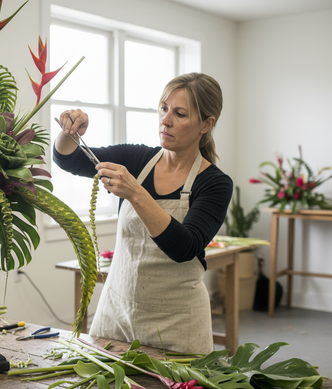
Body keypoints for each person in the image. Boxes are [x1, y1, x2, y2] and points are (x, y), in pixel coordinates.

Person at [53, 72, 233, 355]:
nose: (166, 120)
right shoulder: (136, 158)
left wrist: (136, 193)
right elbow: (69, 159)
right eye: (163, 109)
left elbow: (184, 247)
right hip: (117, 315)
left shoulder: (214, 183)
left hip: (177, 323)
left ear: (207, 124)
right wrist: (69, 133)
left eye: (180, 113)